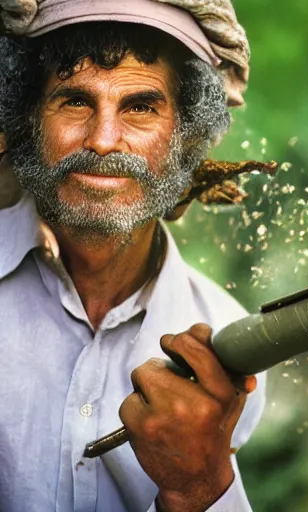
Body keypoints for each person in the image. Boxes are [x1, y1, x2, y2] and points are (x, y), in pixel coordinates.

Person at [0, 1, 266, 511]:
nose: (102, 140)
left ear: (185, 136)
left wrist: (201, 487)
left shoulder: (230, 349)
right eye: (75, 101)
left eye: (140, 106)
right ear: (27, 120)